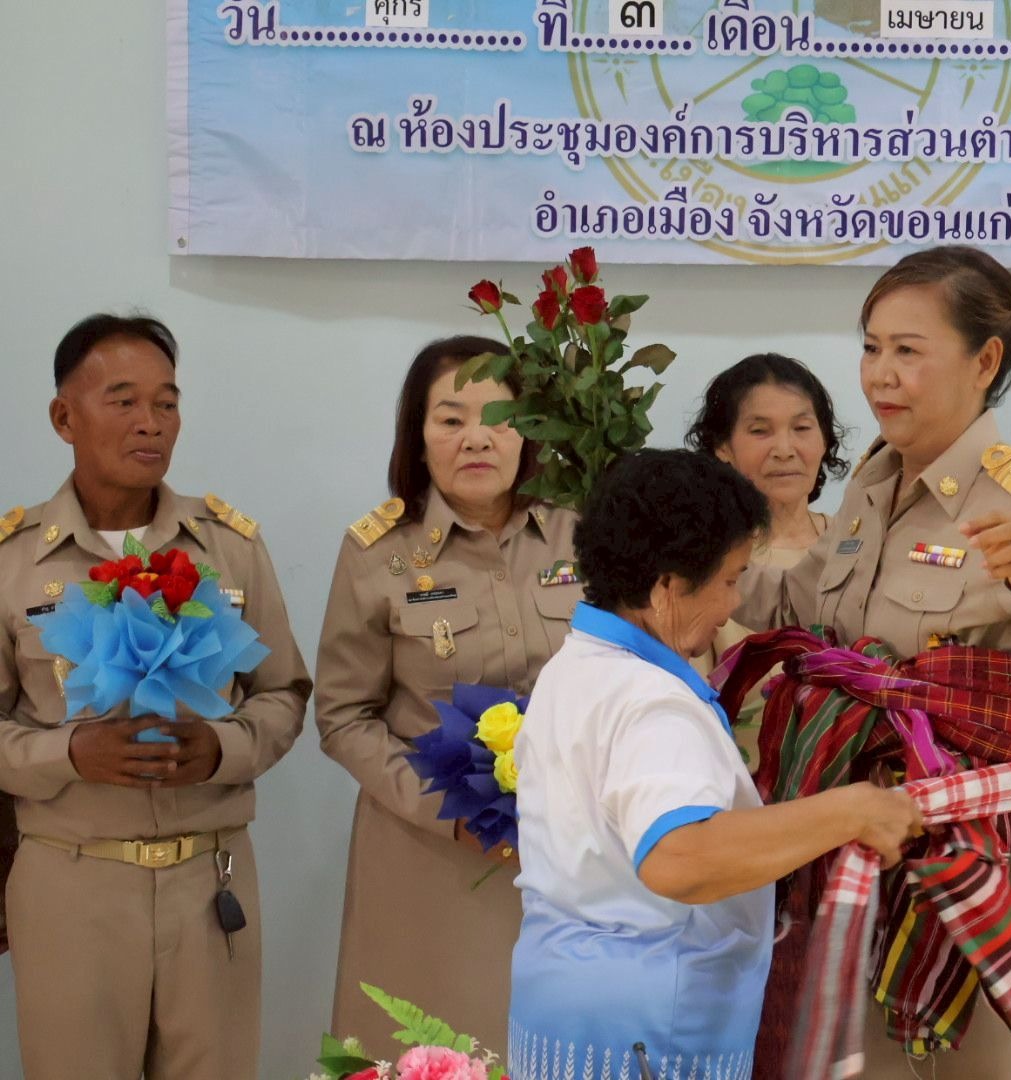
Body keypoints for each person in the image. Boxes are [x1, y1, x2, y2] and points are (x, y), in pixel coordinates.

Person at [729, 245, 1011, 1078]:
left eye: (908, 351)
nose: (880, 374)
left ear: (984, 362)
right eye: (872, 347)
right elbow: (794, 605)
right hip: (862, 860)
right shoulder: (872, 485)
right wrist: (677, 559)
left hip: (983, 880)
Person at [506, 449, 924, 1078]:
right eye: (729, 580)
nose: (733, 604)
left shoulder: (575, 666)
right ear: (667, 588)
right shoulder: (650, 703)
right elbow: (679, 858)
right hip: (647, 1031)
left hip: (563, 1008)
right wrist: (852, 811)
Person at [0, 313, 311, 1078]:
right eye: (124, 401)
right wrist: (70, 753)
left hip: (210, 884)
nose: (151, 423)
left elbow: (282, 693)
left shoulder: (227, 546)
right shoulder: (13, 560)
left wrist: (222, 748)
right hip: (71, 879)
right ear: (64, 418)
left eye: (167, 403)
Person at [316, 336, 582, 1054]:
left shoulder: (579, 535)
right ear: (419, 434)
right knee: (427, 1047)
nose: (477, 438)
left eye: (500, 419)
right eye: (451, 419)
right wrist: (449, 813)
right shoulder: (378, 554)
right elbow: (343, 716)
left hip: (565, 851)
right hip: (427, 856)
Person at [687, 352, 848, 764]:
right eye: (760, 431)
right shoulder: (705, 560)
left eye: (802, 428)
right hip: (743, 779)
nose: (784, 449)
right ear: (723, 447)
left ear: (824, 440)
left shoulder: (855, 545)